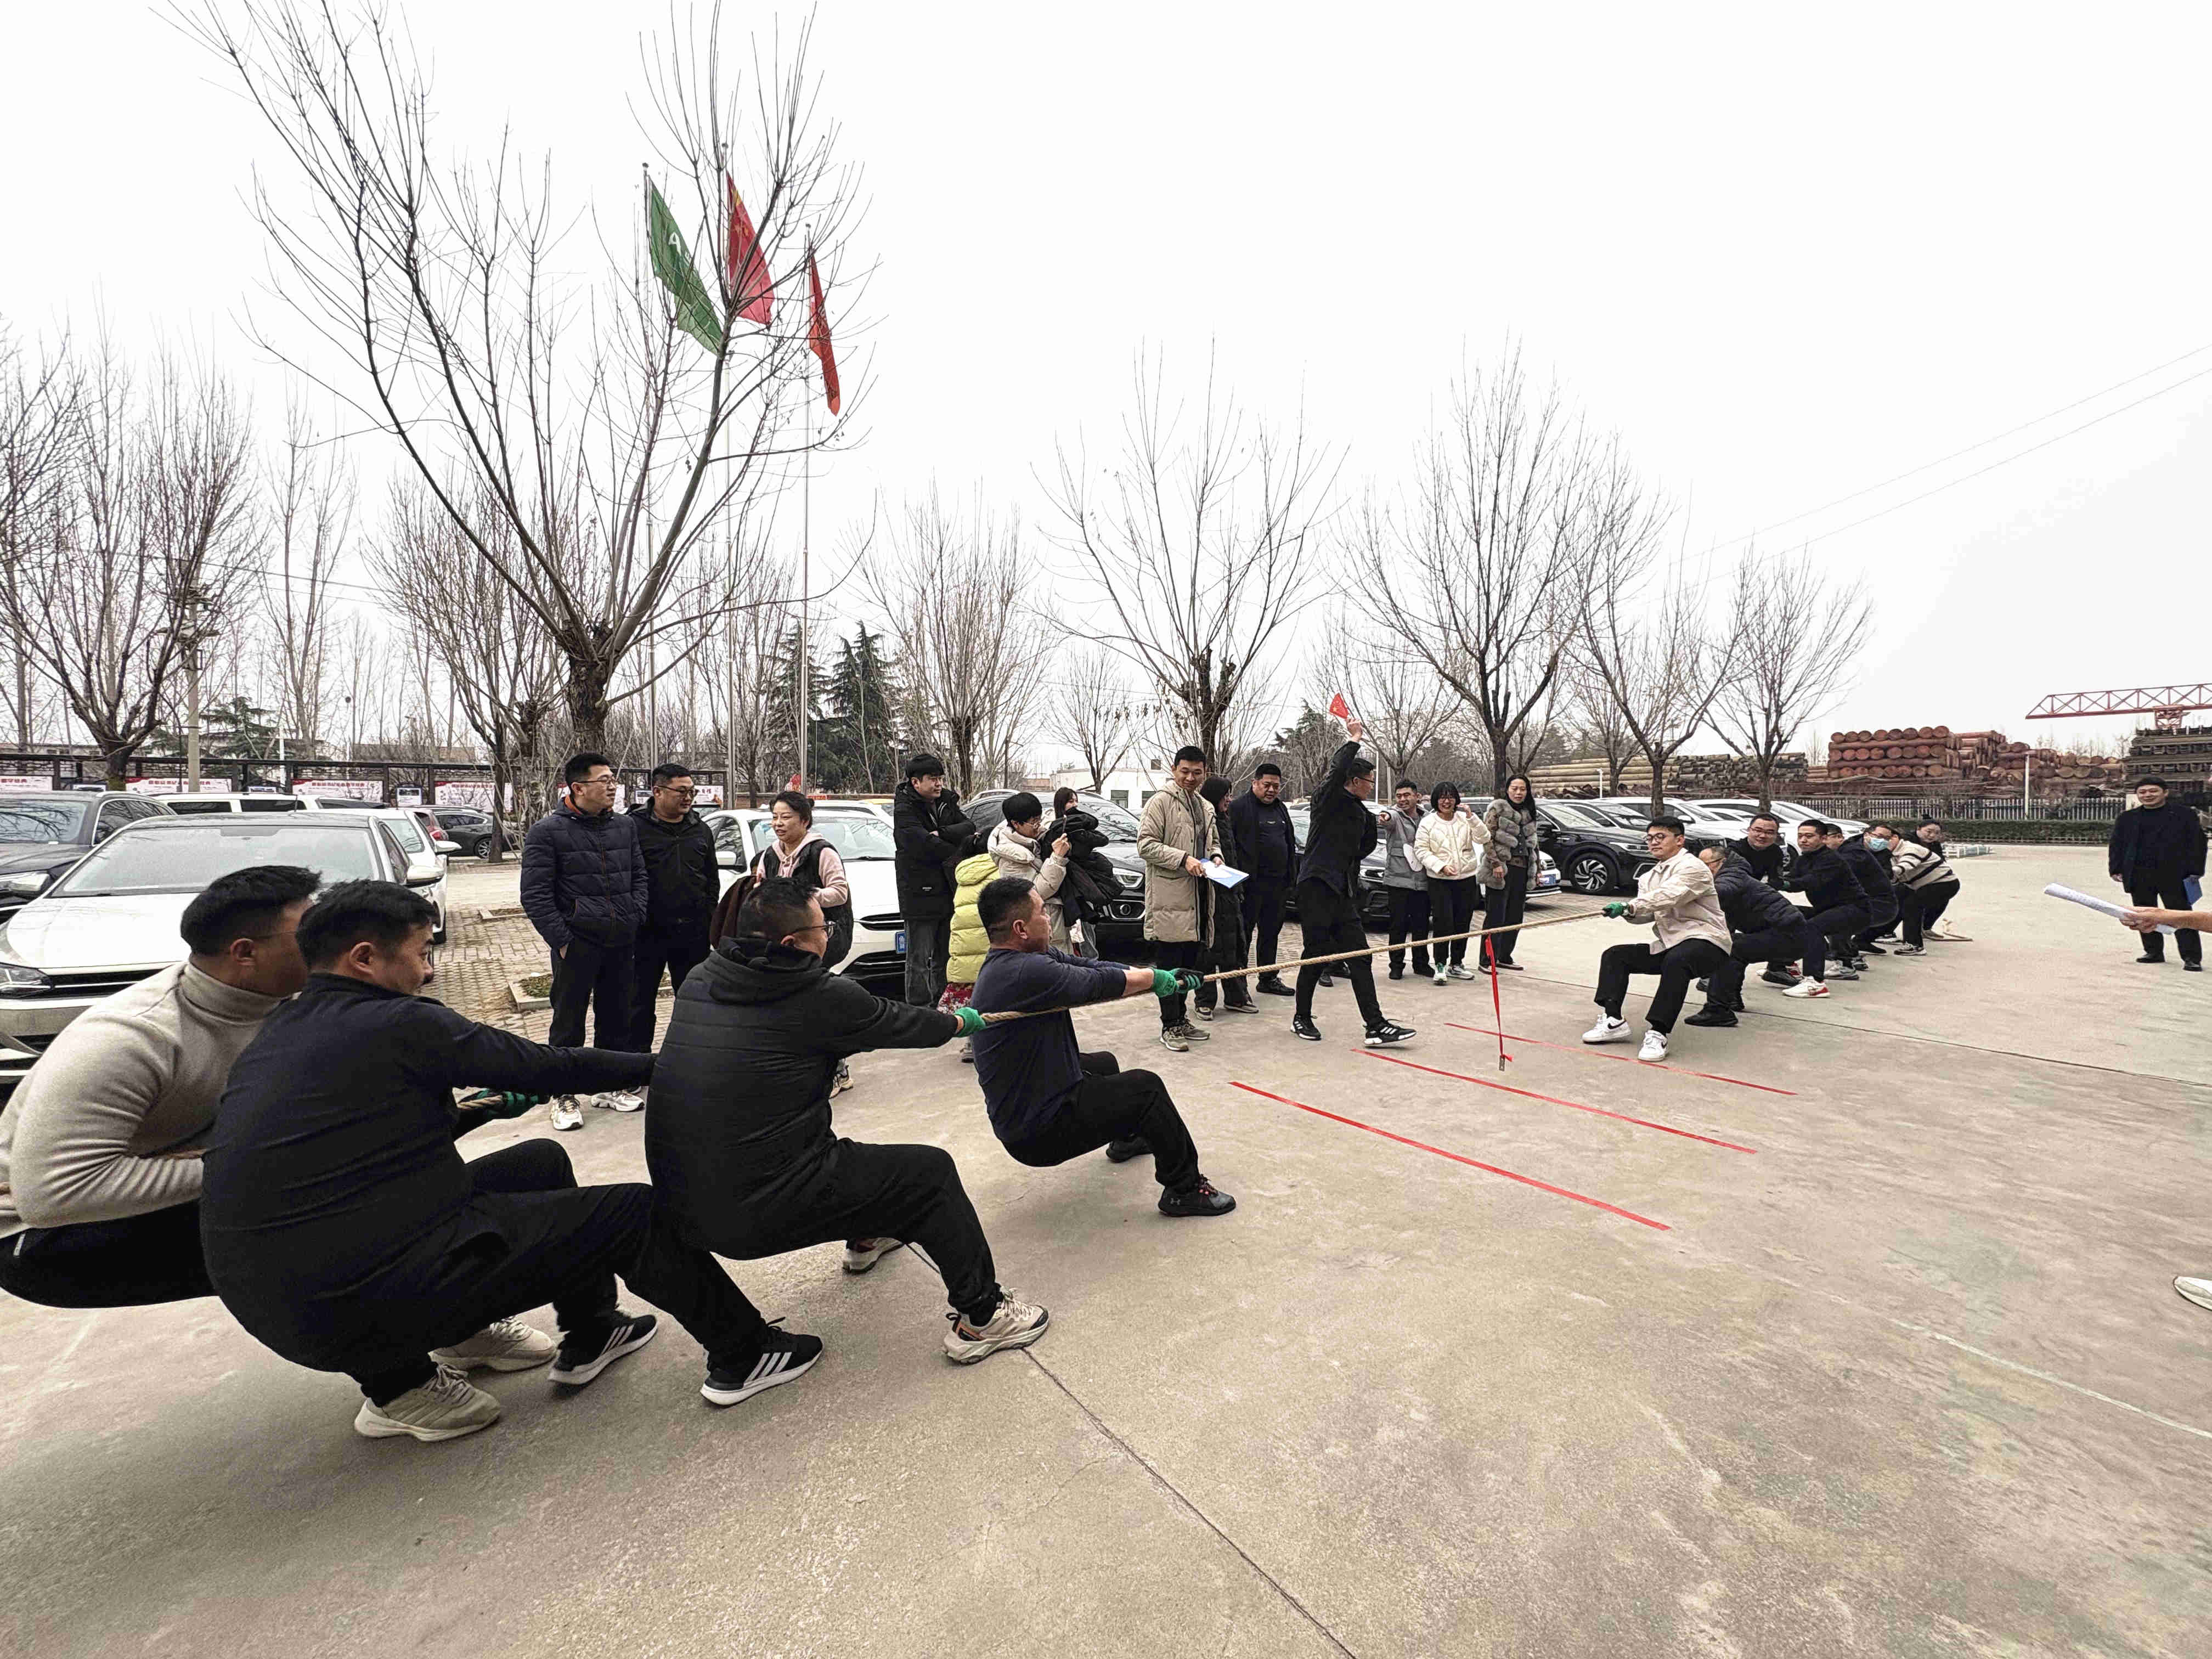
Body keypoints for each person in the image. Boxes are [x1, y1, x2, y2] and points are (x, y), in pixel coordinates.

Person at [201, 882, 783, 1442]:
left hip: (294, 1289)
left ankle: (594, 1330)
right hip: (354, 1301)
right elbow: (550, 1065)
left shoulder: (286, 1027)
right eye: (421, 953)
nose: (430, 971)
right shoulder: (401, 1022)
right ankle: (749, 1353)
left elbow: (373, 1141)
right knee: (632, 1213)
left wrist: (487, 1108)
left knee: (539, 1162)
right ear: (365, 958)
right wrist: (669, 1066)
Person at [646, 877, 1051, 1365]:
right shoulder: (814, 994)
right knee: (931, 1174)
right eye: (825, 928)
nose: (830, 936)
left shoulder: (702, 977)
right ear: (793, 943)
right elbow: (900, 1021)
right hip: (750, 1209)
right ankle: (983, 1316)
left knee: (845, 1154)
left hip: (681, 1201)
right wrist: (962, 1021)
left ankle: (866, 1234)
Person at [0, 866, 319, 1308]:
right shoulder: (130, 1038)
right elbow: (54, 1196)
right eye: (312, 935)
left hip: (156, 1169)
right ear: (245, 952)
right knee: (321, 1232)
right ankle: (382, 1357)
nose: (329, 944)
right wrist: (256, 1163)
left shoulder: (280, 1001)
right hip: (44, 1236)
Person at [969, 876, 1235, 1216]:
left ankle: (1126, 1140)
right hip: (1036, 1135)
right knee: (1147, 1088)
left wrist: (1158, 975)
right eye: (1043, 913)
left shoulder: (1019, 960)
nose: (1049, 919)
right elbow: (1098, 982)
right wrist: (1155, 980)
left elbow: (1092, 966)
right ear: (1020, 929)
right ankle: (1184, 1189)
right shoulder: (1025, 971)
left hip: (1031, 1106)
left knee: (1104, 1064)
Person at [521, 751, 649, 1130]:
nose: (613, 787)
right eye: (604, 781)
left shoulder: (624, 827)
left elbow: (639, 876)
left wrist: (635, 915)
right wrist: (563, 941)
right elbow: (535, 895)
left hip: (621, 939)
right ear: (578, 788)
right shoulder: (547, 832)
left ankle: (610, 1086)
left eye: (613, 780)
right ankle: (563, 1095)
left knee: (617, 1016)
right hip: (577, 942)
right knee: (568, 1021)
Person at [1291, 737, 1415, 1048]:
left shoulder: (1362, 812)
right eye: (1369, 781)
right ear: (1355, 781)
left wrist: (1362, 839)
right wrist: (1354, 740)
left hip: (1343, 889)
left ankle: (1375, 1025)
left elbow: (1365, 847)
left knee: (1361, 956)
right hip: (1317, 886)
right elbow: (1336, 770)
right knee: (1316, 954)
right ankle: (1301, 1017)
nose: (1372, 787)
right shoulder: (1327, 799)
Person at [1583, 816, 1733, 1061]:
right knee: (1616, 956)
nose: (1654, 842)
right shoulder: (1649, 877)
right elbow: (1648, 914)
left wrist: (1630, 906)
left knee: (1677, 960)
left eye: (1661, 837)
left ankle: (1658, 1033)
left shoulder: (1693, 868)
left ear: (1680, 840)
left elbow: (1669, 896)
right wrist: (1627, 913)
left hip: (1708, 942)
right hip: (1671, 944)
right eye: (1650, 838)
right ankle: (1613, 1020)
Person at [624, 763, 718, 1059]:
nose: (688, 798)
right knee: (638, 1002)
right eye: (681, 791)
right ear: (658, 791)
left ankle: (692, 1060)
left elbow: (711, 879)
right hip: (646, 933)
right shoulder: (632, 828)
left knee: (694, 1000)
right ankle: (637, 1062)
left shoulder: (701, 829)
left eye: (692, 791)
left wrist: (707, 917)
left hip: (692, 932)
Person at [1136, 746, 1221, 1053]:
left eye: (1197, 772)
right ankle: (1169, 1025)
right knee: (1170, 970)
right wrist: (1183, 859)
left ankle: (1182, 1020)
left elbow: (1214, 841)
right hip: (1170, 899)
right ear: (1174, 770)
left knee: (1191, 966)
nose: (1190, 778)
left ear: (1205, 773)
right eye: (1185, 771)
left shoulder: (1205, 806)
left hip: (1200, 897)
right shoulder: (1160, 802)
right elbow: (1145, 845)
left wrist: (1216, 856)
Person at [1684, 846, 1819, 1028]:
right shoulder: (1730, 874)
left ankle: (1718, 1011)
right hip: (1786, 933)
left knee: (1731, 949)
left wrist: (1690, 892)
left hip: (1790, 934)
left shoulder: (1732, 875)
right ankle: (1730, 1000)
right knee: (1731, 948)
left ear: (1721, 863)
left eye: (1706, 865)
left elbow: (1722, 891)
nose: (1702, 869)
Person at [892, 754, 979, 1006]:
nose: (939, 784)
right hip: (919, 893)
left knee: (946, 956)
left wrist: (942, 833)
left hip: (948, 890)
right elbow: (922, 845)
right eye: (933, 779)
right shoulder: (904, 809)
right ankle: (919, 1009)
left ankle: (942, 1007)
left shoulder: (946, 802)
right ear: (916, 782)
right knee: (919, 959)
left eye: (940, 778)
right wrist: (957, 851)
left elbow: (969, 827)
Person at [2108, 777, 2206, 971]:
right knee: (2144, 915)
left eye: (2153, 791)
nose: (2148, 795)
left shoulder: (2184, 815)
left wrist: (2195, 871)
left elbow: (2198, 843)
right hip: (2139, 874)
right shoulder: (2128, 818)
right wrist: (2116, 869)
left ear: (2165, 793)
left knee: (2181, 916)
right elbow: (2117, 845)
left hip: (2174, 874)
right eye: (2143, 792)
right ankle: (2153, 952)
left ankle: (2192, 957)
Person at [1776, 820, 1873, 995]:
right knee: (1788, 915)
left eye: (1809, 836)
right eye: (1800, 836)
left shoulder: (1831, 859)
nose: (1803, 840)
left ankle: (1815, 983)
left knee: (1813, 928)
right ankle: (1782, 967)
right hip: (1828, 910)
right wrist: (1773, 882)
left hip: (1855, 910)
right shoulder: (1804, 859)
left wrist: (1783, 884)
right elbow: (1793, 880)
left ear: (1823, 839)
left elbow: (1810, 881)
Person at [1227, 762, 1297, 995]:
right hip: (1249, 886)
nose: (1271, 790)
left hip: (1278, 885)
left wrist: (1291, 877)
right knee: (1244, 935)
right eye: (1267, 785)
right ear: (1255, 783)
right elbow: (1229, 846)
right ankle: (1238, 985)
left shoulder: (1281, 808)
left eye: (1276, 786)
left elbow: (1289, 842)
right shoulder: (1239, 808)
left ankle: (1268, 978)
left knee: (1271, 933)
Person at [1193, 775, 1258, 1018]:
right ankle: (1205, 1001)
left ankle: (1236, 997)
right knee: (1208, 951)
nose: (1229, 800)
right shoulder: (1204, 821)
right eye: (1225, 795)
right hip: (1209, 895)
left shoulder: (1225, 820)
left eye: (1230, 795)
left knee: (1234, 948)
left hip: (1230, 893)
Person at [1415, 783, 1486, 984]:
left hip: (1466, 879)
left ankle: (1457, 963)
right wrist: (1441, 866)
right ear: (1436, 800)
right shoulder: (1428, 822)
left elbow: (1484, 838)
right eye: (1442, 798)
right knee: (1443, 923)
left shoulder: (1465, 819)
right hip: (1440, 881)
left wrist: (1473, 819)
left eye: (1451, 797)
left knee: (1463, 923)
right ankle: (1440, 964)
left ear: (1456, 800)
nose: (1447, 802)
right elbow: (1421, 850)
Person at [940, 844, 1002, 1059]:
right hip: (986, 943)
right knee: (994, 994)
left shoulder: (963, 873)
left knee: (972, 996)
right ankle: (990, 1043)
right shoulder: (998, 869)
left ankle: (970, 1044)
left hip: (963, 945)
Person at [1728, 812, 1803, 987]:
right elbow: (1732, 882)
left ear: (1776, 835)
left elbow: (1775, 880)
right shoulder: (1734, 850)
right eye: (1758, 830)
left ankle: (1777, 968)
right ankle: (1710, 976)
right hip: (1728, 899)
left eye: (1770, 832)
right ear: (1749, 830)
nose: (1763, 836)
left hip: (1754, 899)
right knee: (1725, 933)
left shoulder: (1775, 852)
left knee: (1785, 924)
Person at [989, 791, 1073, 948]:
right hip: (1041, 927)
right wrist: (1057, 858)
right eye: (1034, 822)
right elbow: (1036, 892)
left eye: (1039, 819)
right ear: (1016, 824)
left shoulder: (1035, 839)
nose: (1038, 825)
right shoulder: (1010, 858)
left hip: (1053, 920)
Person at [1480, 775, 1539, 970]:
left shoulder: (1529, 812)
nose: (1519, 793)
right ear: (1507, 790)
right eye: (1515, 788)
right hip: (1501, 871)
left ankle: (1504, 956)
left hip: (1522, 870)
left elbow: (1534, 844)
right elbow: (1486, 839)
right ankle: (1487, 959)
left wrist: (1537, 869)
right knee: (1496, 916)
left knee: (1515, 916)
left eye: (1523, 789)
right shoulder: (1497, 809)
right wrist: (1495, 863)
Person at [1377, 781, 1432, 982]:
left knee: (1421, 926)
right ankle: (1396, 966)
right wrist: (1384, 817)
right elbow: (1387, 818)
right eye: (1399, 796)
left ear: (1417, 796)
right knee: (1398, 926)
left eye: (1407, 795)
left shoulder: (1427, 818)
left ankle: (1421, 964)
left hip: (1423, 881)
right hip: (1398, 882)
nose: (1402, 799)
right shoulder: (1395, 816)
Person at [1826, 823, 1898, 974]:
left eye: (1824, 839)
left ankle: (1845, 965)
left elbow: (1832, 878)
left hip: (1879, 906)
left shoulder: (1852, 854)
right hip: (1870, 904)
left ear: (1839, 838)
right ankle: (1852, 957)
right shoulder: (1849, 850)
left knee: (1834, 920)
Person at [1890, 818, 1961, 952]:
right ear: (1918, 829)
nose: (1932, 836)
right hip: (1910, 881)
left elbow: (1939, 862)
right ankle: (1890, 933)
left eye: (1937, 833)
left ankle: (1921, 934)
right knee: (1905, 904)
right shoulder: (1907, 842)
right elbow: (1906, 862)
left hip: (1938, 882)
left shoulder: (1934, 845)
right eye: (1929, 831)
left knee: (1915, 905)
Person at [1048, 786, 1101, 957]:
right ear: (1061, 804)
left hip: (1083, 886)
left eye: (1076, 801)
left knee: (1086, 931)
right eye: (1071, 801)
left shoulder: (1081, 826)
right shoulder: (1053, 828)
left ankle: (1090, 962)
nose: (1075, 805)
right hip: (1064, 888)